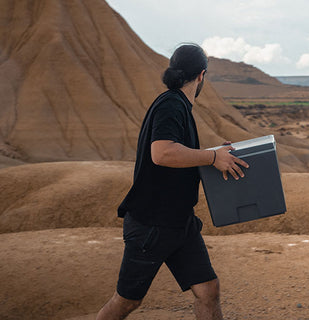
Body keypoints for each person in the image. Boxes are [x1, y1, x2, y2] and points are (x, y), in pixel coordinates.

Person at [96, 43, 249, 320]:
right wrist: (212, 156)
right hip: (151, 225)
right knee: (127, 302)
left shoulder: (177, 105)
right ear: (201, 75)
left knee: (208, 290)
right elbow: (162, 152)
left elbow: (181, 155)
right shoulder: (171, 104)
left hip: (179, 223)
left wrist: (216, 154)